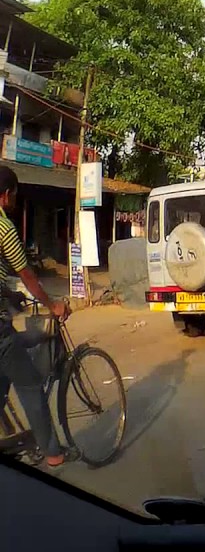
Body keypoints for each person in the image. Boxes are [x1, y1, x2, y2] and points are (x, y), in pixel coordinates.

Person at [0, 166, 70, 467]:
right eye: (14, 196)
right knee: (29, 385)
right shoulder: (4, 227)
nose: (15, 201)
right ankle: (53, 452)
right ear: (6, 196)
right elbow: (27, 275)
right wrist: (52, 304)